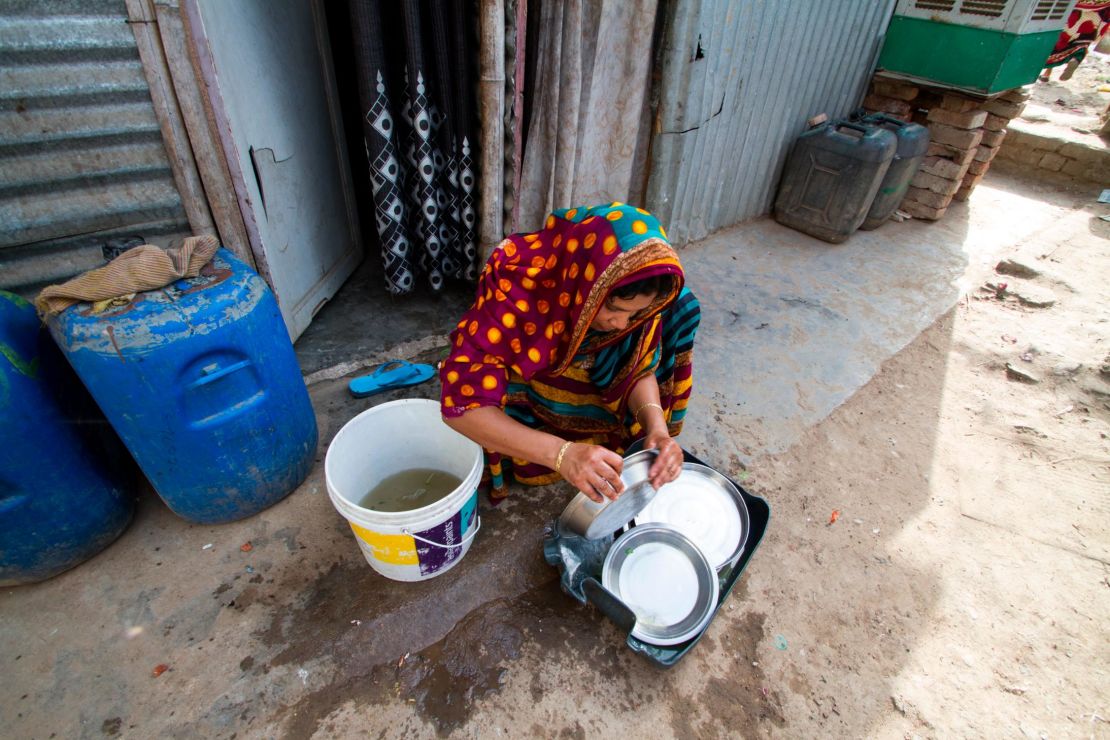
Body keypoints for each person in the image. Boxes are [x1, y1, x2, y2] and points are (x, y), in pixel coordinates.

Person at [439, 203, 701, 504]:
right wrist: (561, 454)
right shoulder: (517, 291)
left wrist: (656, 428)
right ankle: (533, 441)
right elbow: (459, 406)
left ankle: (590, 441)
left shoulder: (638, 299)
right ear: (587, 283)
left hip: (593, 392)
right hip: (531, 401)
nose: (621, 324)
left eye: (636, 313)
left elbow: (638, 367)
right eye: (614, 309)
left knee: (683, 307)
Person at [1040, 1, 1110, 81]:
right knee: (1082, 42)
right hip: (1096, 14)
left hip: (1073, 11)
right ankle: (1076, 59)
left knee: (1057, 42)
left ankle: (1045, 73)